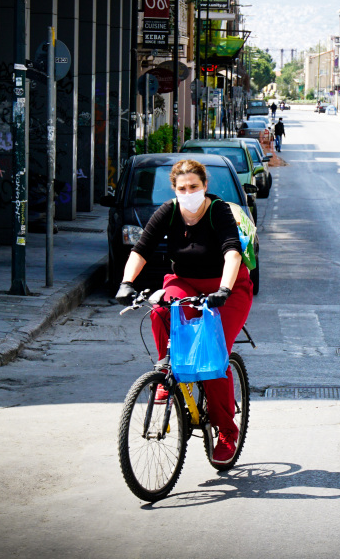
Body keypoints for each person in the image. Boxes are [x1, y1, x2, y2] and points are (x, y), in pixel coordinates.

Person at [114, 159, 254, 465]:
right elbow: (141, 249)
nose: (188, 192)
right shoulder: (169, 211)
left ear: (205, 186)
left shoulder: (218, 212)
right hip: (186, 282)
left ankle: (227, 432)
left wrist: (224, 291)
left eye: (194, 187)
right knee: (161, 309)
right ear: (174, 189)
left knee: (211, 356)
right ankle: (167, 373)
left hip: (226, 288)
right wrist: (126, 283)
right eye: (182, 188)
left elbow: (232, 253)